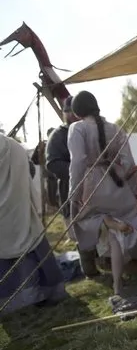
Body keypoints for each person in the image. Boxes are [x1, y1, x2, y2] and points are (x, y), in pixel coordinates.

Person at [67, 90, 137, 295]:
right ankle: (117, 284)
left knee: (80, 218)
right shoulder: (114, 128)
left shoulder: (77, 128)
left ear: (77, 111)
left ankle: (107, 220)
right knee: (114, 236)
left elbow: (78, 163)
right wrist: (132, 191)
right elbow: (128, 161)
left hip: (92, 186)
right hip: (116, 184)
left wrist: (73, 194)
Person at [0, 132, 67, 314]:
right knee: (30, 245)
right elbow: (29, 173)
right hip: (19, 210)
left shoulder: (12, 146)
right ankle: (43, 292)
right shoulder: (13, 146)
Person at [46, 96, 100, 277]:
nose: (71, 115)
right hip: (73, 188)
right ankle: (89, 269)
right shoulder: (57, 136)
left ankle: (105, 260)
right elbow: (52, 163)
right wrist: (78, 170)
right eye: (67, 112)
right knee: (80, 230)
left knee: (101, 224)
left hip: (97, 187)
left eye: (73, 111)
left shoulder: (91, 129)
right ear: (64, 113)